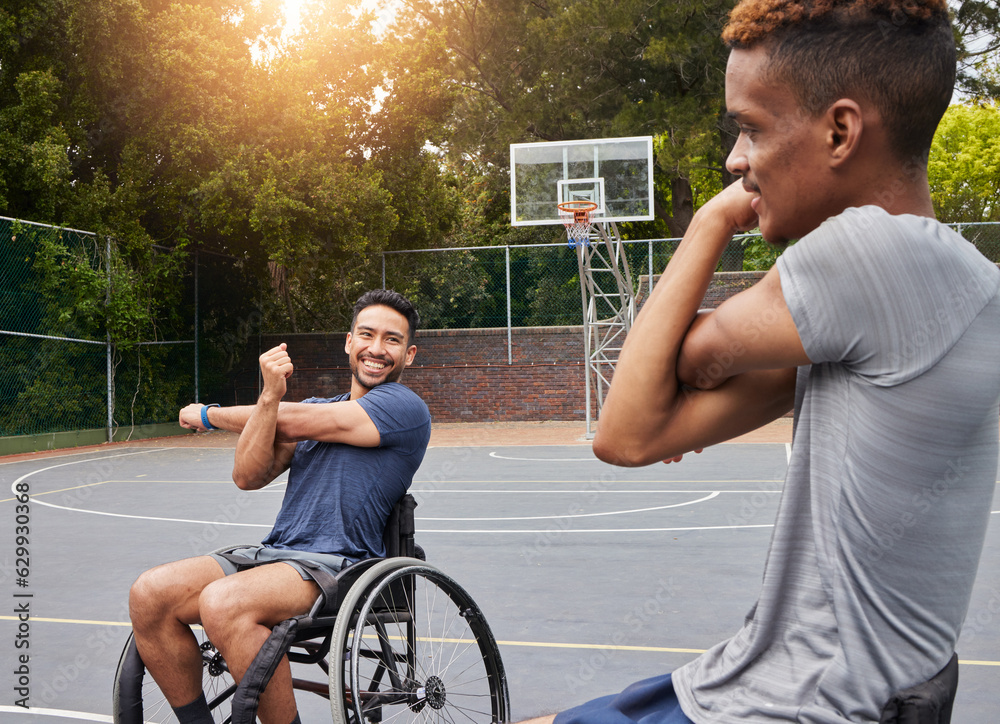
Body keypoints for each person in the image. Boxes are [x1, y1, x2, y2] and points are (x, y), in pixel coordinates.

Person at [533, 1, 1000, 723]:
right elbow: (631, 435)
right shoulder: (952, 288)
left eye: (750, 127)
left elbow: (659, 382)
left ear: (841, 131)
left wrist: (712, 221)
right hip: (768, 682)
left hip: (795, 705)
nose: (736, 160)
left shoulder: (877, 252)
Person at [128, 289, 431, 724]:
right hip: (277, 556)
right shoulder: (311, 407)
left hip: (341, 565)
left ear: (409, 353)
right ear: (349, 342)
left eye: (392, 340)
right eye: (367, 335)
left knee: (223, 603)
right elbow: (247, 476)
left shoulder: (404, 408)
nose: (377, 350)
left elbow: (292, 421)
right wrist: (269, 398)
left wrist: (208, 414)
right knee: (150, 593)